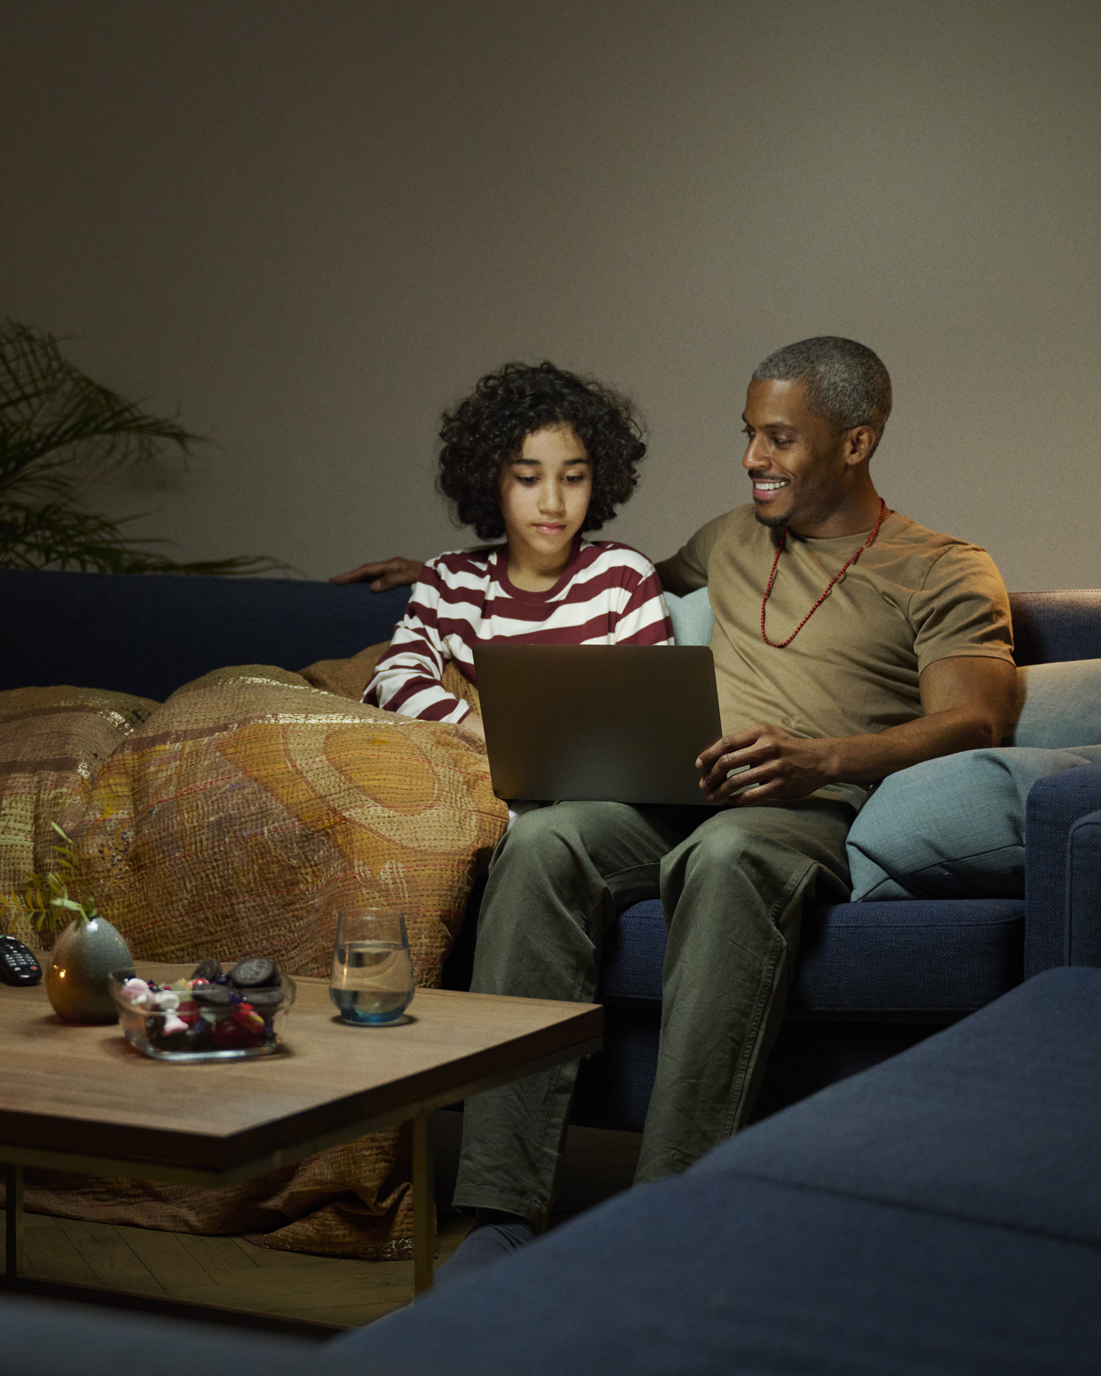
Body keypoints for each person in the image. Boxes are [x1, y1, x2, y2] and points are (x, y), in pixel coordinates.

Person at [332, 337, 1016, 1271]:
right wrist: (451, 573)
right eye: (749, 433)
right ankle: (499, 1207)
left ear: (856, 443)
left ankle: (665, 1218)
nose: (752, 458)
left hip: (803, 802)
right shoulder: (729, 537)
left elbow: (976, 719)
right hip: (677, 787)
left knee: (725, 858)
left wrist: (822, 758)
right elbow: (576, 574)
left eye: (779, 438)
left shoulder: (943, 568)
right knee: (547, 840)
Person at [364, 361, 671, 732]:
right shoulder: (448, 580)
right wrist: (481, 732)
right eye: (528, 478)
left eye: (573, 477)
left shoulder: (624, 577)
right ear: (489, 478)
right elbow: (394, 677)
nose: (552, 503)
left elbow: (653, 715)